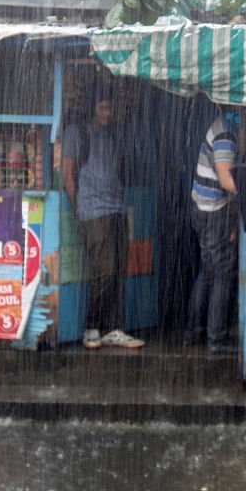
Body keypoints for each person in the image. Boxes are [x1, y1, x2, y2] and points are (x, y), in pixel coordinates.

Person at [62, 87, 144, 350]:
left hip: (116, 209)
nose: (109, 113)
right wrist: (80, 209)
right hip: (93, 212)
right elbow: (68, 176)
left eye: (111, 108)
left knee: (118, 271)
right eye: (103, 108)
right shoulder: (78, 133)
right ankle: (92, 327)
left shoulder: (113, 134)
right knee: (103, 272)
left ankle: (114, 328)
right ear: (92, 108)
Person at [187, 109, 241, 355]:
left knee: (208, 271)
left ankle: (195, 331)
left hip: (202, 207)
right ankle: (216, 339)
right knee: (223, 273)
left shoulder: (220, 124)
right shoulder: (225, 135)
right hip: (213, 212)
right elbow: (225, 179)